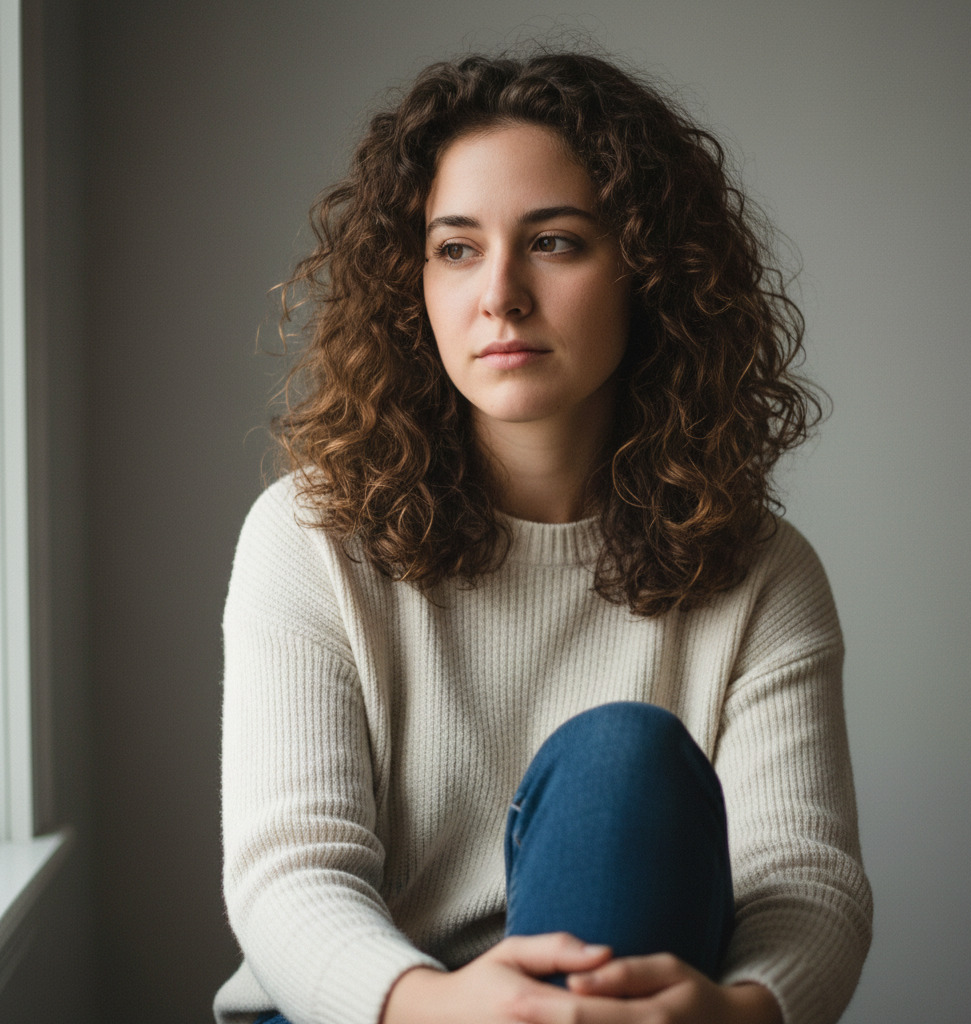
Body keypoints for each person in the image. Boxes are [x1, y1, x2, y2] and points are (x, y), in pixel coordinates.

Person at [214, 51, 872, 1024]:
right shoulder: (309, 538)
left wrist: (737, 1012)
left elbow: (804, 885)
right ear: (413, 285)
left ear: (650, 273)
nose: (501, 295)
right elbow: (290, 873)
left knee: (623, 761)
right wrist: (433, 1005)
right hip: (367, 1014)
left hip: (621, 1006)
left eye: (554, 243)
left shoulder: (761, 573)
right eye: (455, 248)